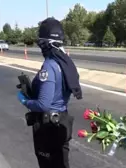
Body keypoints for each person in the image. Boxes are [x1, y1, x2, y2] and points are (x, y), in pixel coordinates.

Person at [17, 17, 83, 168]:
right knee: (62, 163)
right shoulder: (66, 62)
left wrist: (25, 101)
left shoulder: (49, 66)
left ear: (44, 43)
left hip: (48, 128)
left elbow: (43, 104)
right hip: (63, 121)